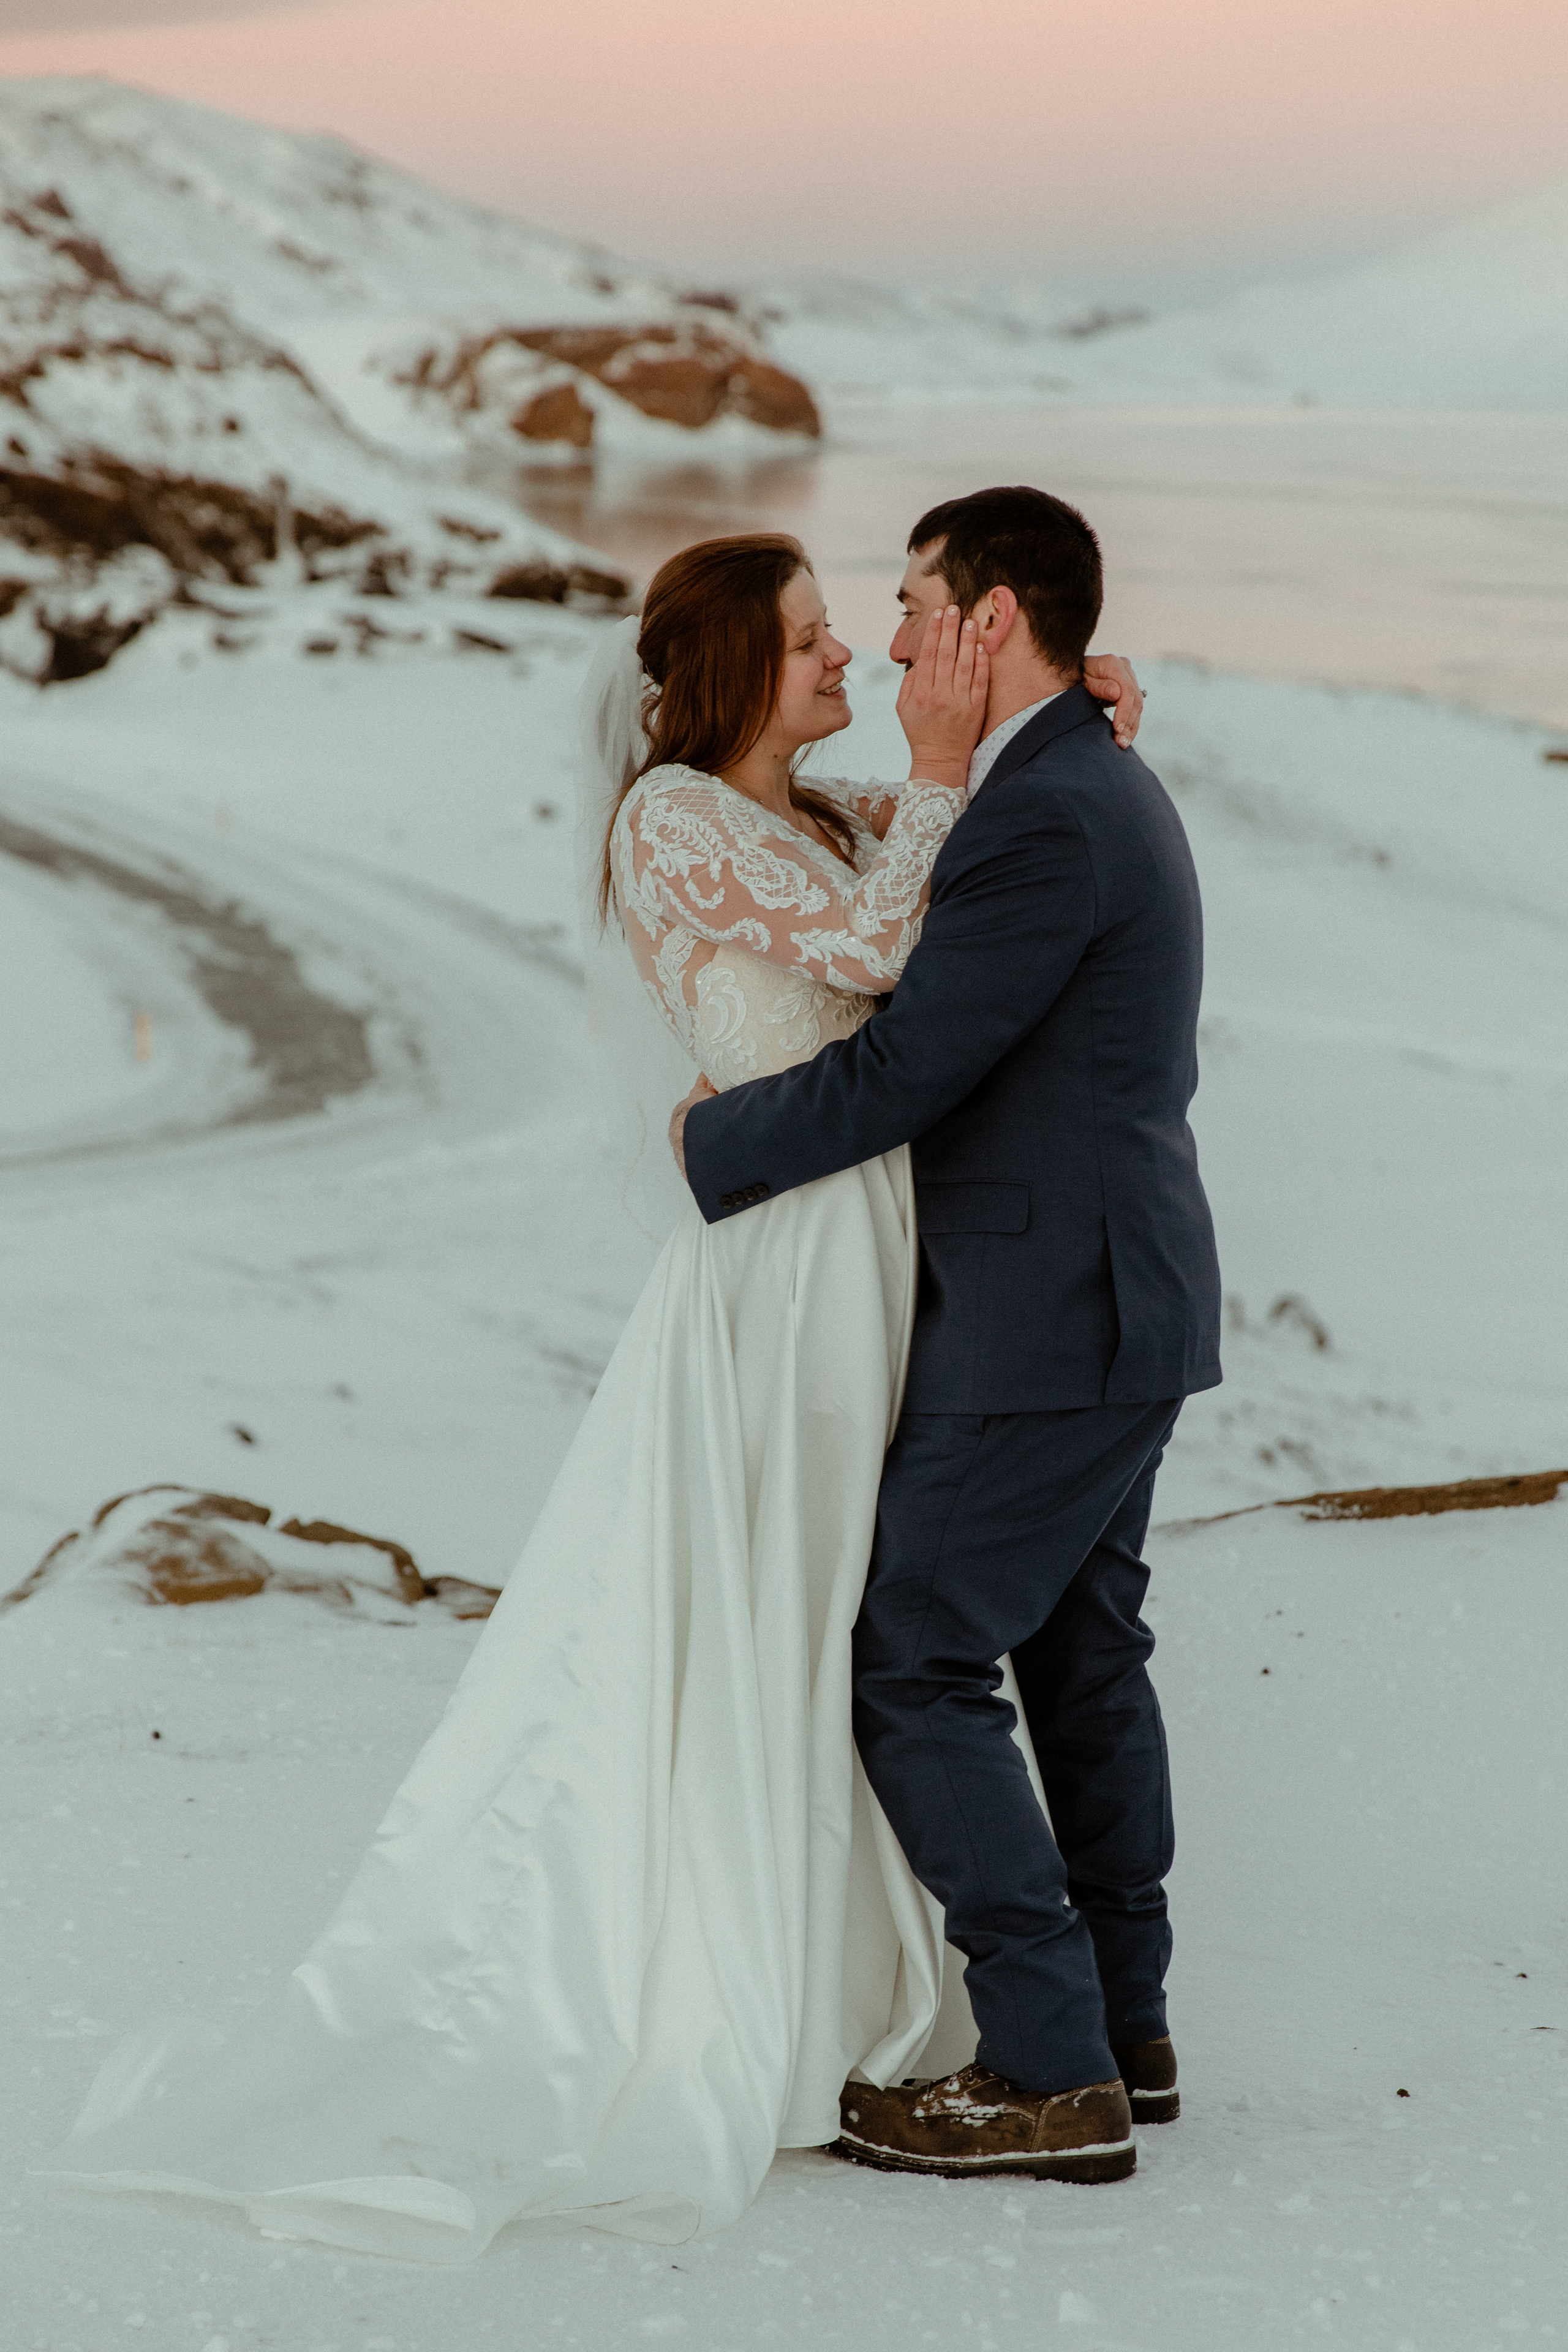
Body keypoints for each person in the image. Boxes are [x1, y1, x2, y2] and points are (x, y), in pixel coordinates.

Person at [37, 530, 1147, 2260]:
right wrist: (943, 763)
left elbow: (953, 868)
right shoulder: (677, 821)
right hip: (786, 1274)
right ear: (722, 674)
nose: (848, 659)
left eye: (847, 634)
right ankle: (739, 1973)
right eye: (806, 644)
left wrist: (1056, 718)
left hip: (867, 1254)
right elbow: (874, 952)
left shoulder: (822, 808)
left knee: (842, 1620)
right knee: (792, 1612)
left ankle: (881, 1977)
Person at [673, 486, 1222, 2182]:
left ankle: (1051, 2067)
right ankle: (1126, 2026)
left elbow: (916, 1068)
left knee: (909, 1649)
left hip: (1049, 1306)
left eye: (916, 607)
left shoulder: (1048, 815)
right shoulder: (1075, 777)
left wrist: (712, 1144)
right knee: (1076, 1652)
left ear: (995, 623)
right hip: (1115, 1296)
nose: (895, 641)